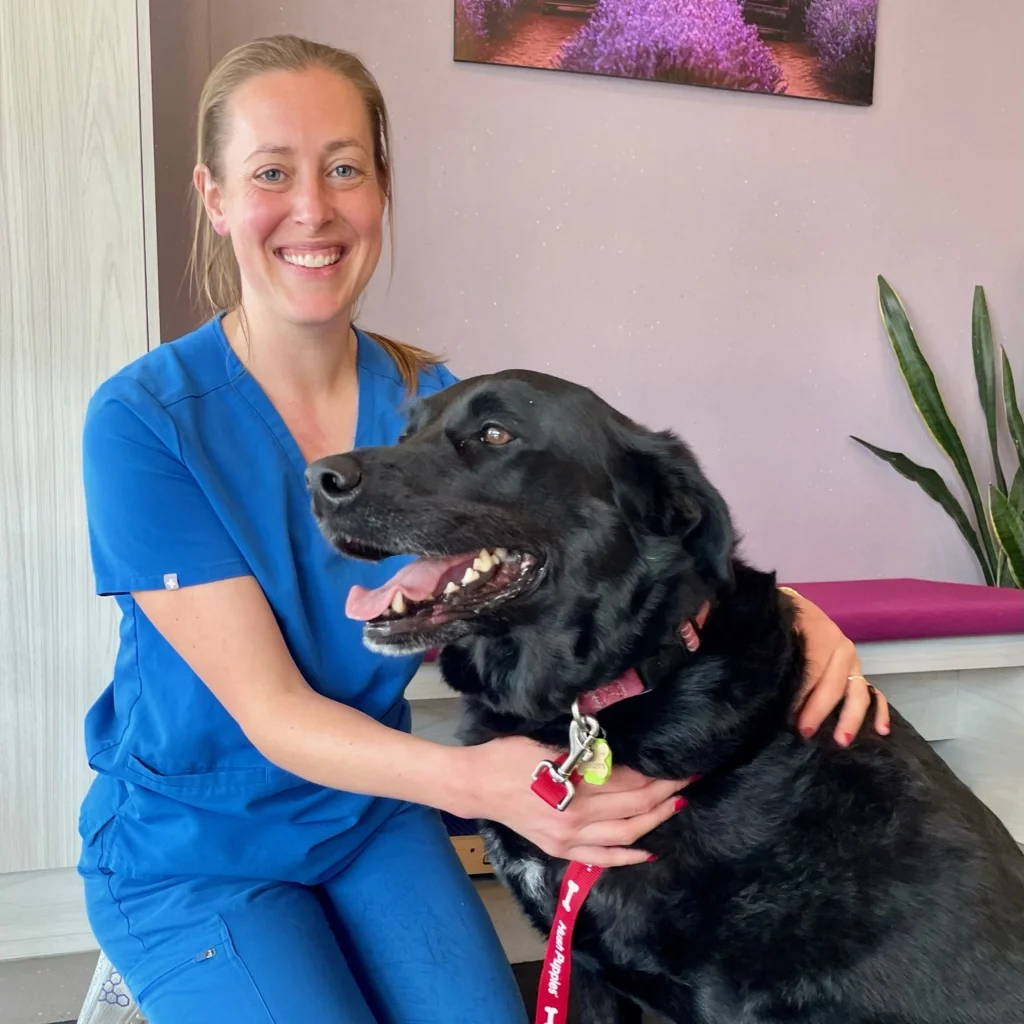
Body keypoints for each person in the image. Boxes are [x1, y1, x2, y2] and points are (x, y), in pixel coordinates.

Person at [76, 33, 891, 1024]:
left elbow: (594, 544)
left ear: (381, 188)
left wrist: (788, 612)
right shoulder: (145, 422)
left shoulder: (433, 407)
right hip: (193, 847)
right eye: (271, 173)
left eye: (344, 168)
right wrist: (482, 781)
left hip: (364, 819)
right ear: (214, 197)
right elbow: (271, 713)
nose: (313, 207)